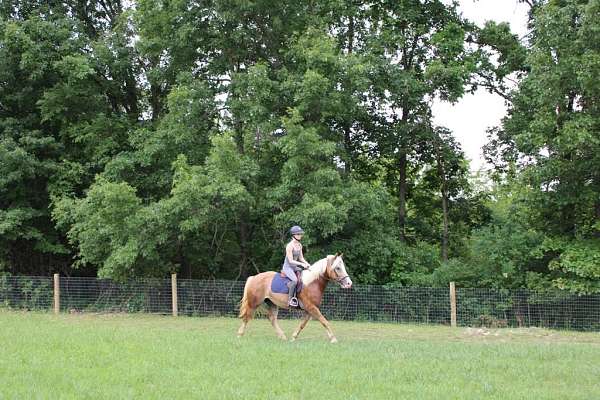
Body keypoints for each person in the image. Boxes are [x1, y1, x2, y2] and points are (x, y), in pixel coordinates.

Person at [281, 225, 311, 307]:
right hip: (288, 267)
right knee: (294, 280)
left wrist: (307, 264)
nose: (300, 235)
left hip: (294, 267)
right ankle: (290, 300)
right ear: (293, 235)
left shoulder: (299, 245)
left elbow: (301, 258)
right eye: (298, 234)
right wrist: (302, 264)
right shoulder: (289, 246)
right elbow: (290, 261)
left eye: (300, 234)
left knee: (305, 277)